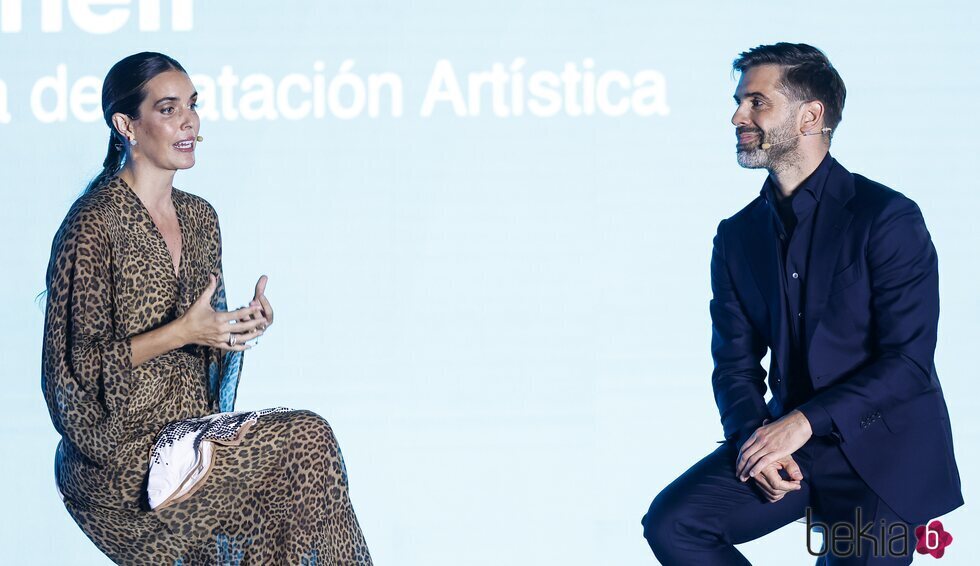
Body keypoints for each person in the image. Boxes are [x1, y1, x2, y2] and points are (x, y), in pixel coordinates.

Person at [41, 52, 373, 564]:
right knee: (306, 437)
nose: (189, 121)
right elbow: (71, 374)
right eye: (169, 109)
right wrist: (180, 332)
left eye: (192, 106)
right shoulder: (93, 225)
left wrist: (235, 329)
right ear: (125, 124)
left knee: (282, 506)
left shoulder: (200, 218)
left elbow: (209, 348)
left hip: (192, 436)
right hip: (120, 459)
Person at [640, 43, 962, 564]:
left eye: (756, 102)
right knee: (676, 524)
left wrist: (803, 421)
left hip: (882, 452)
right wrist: (752, 438)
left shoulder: (886, 217)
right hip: (790, 442)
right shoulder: (737, 236)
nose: (737, 116)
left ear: (811, 116)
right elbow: (735, 366)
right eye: (740, 101)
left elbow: (907, 363)